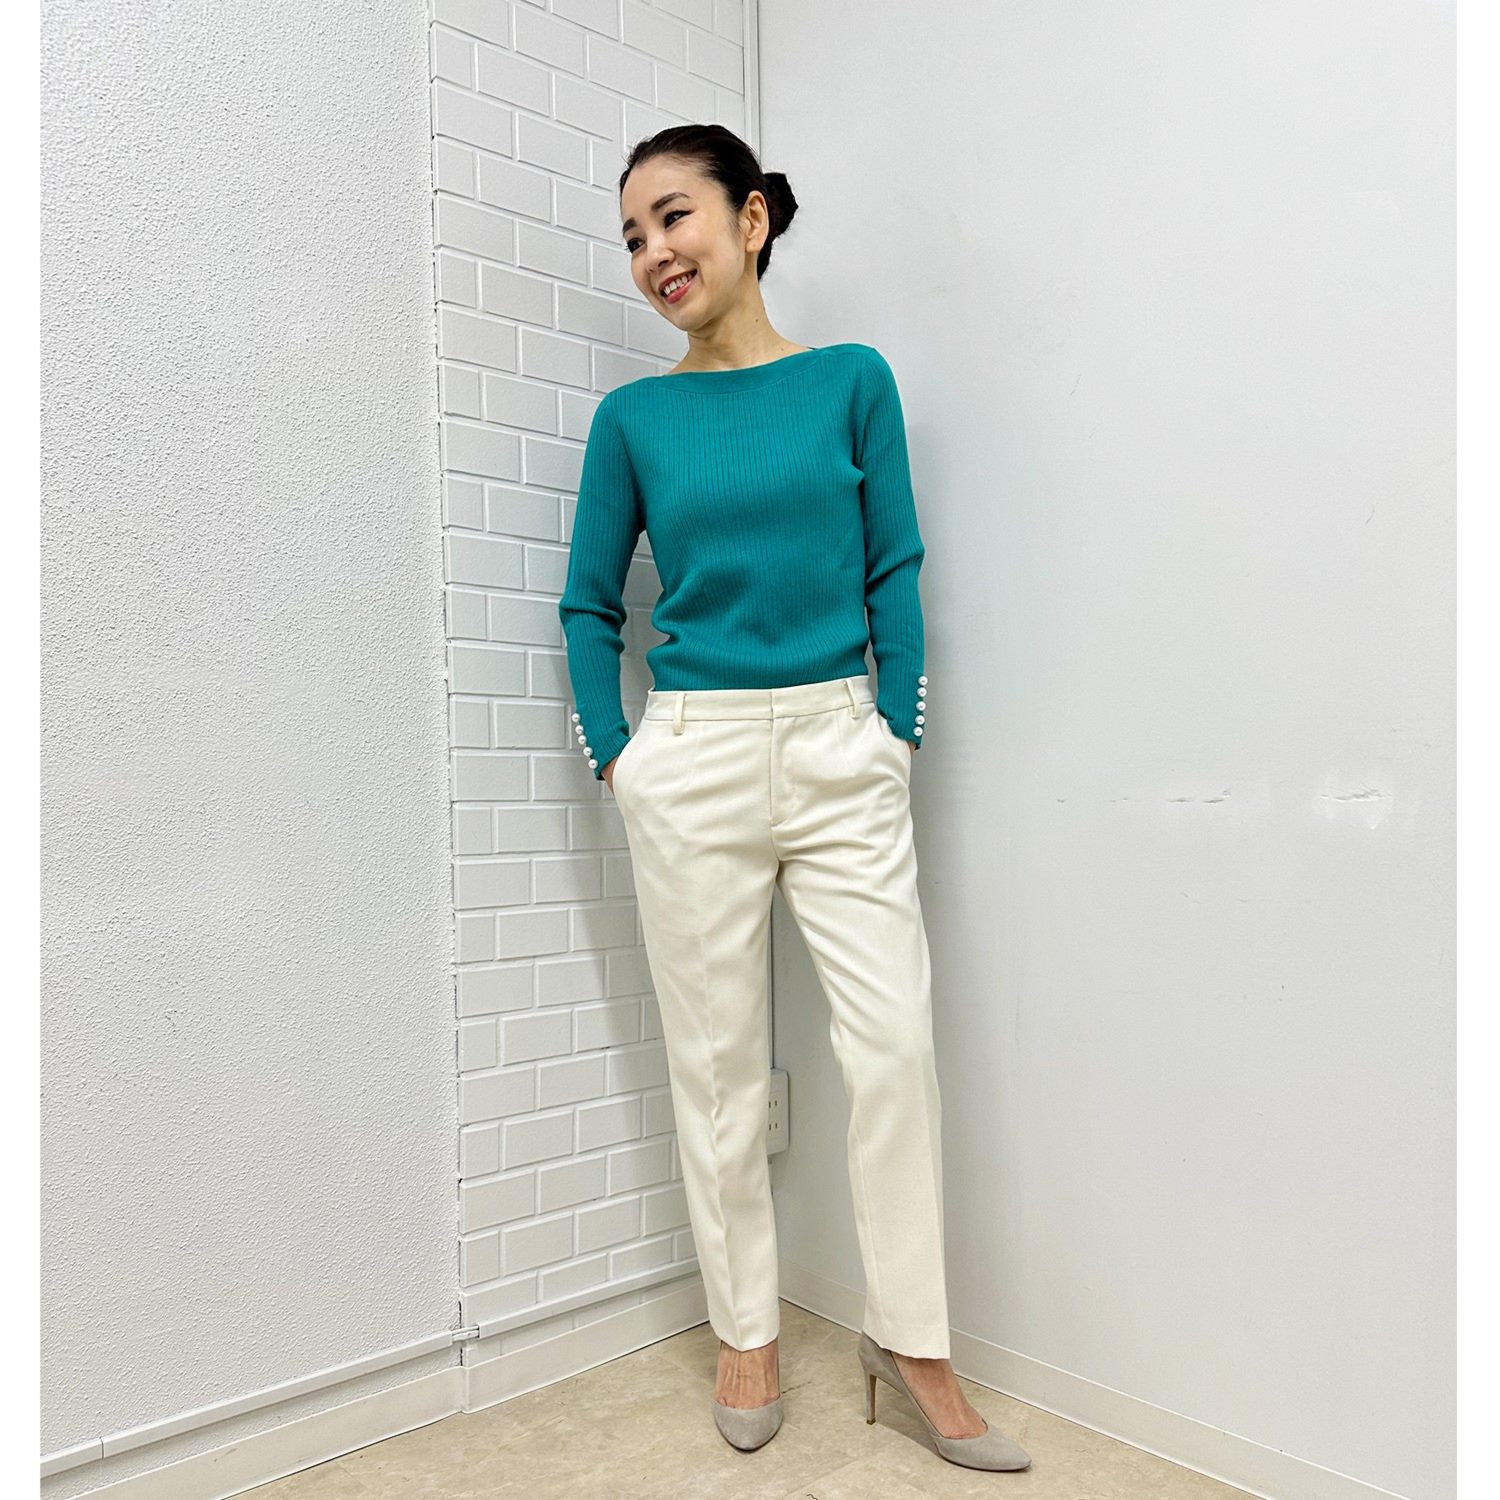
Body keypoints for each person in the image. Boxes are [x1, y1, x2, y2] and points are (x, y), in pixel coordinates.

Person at [557, 123, 1029, 1474]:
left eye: (675, 216)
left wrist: (895, 729)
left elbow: (895, 572)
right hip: (691, 756)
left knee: (893, 1050)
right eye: (633, 235)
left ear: (751, 218)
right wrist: (620, 756)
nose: (654, 252)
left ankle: (914, 1343)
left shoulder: (849, 382)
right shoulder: (634, 419)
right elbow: (588, 606)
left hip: (839, 747)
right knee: (713, 1070)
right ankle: (747, 1334)